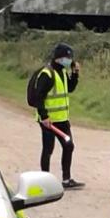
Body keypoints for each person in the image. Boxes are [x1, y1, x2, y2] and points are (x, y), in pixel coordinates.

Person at [27, 43, 82, 190]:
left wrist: (75, 73)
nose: (69, 60)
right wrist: (44, 117)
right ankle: (45, 180)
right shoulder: (47, 74)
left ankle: (66, 179)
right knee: (48, 149)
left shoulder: (63, 71)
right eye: (67, 58)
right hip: (48, 121)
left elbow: (69, 88)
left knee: (68, 146)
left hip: (62, 119)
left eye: (70, 58)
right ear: (59, 58)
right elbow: (39, 97)